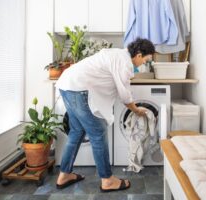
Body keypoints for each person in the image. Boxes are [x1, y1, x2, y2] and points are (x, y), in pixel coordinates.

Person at [55, 38, 155, 192]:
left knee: (76, 131)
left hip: (66, 84)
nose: (143, 64)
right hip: (79, 89)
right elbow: (125, 95)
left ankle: (64, 175)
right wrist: (136, 110)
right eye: (146, 60)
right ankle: (107, 180)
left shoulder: (118, 54)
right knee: (98, 134)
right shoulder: (125, 62)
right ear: (139, 55)